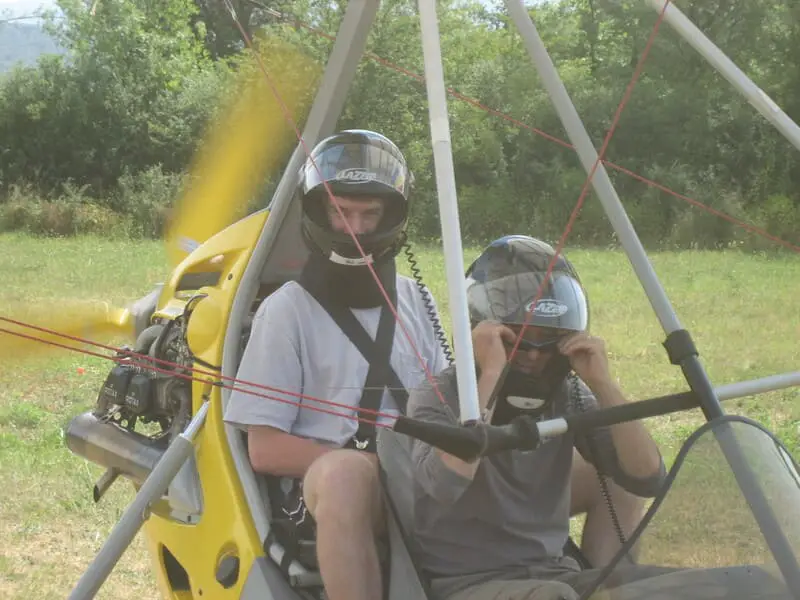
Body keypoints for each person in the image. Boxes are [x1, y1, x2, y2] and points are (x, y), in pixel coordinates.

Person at [223, 129, 449, 600]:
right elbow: (265, 449)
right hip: (331, 486)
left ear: (393, 217)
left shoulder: (416, 299)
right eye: (341, 212)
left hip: (420, 477)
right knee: (347, 477)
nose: (357, 229)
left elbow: (446, 407)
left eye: (370, 214)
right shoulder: (287, 310)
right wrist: (373, 466)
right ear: (318, 213)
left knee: (601, 469)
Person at [405, 234, 672, 600]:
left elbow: (647, 479)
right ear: (483, 334)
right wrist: (489, 377)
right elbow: (443, 485)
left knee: (677, 587)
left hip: (553, 572)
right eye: (517, 340)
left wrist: (603, 384)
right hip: (467, 582)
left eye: (548, 342)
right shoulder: (439, 394)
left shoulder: (569, 393)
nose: (533, 357)